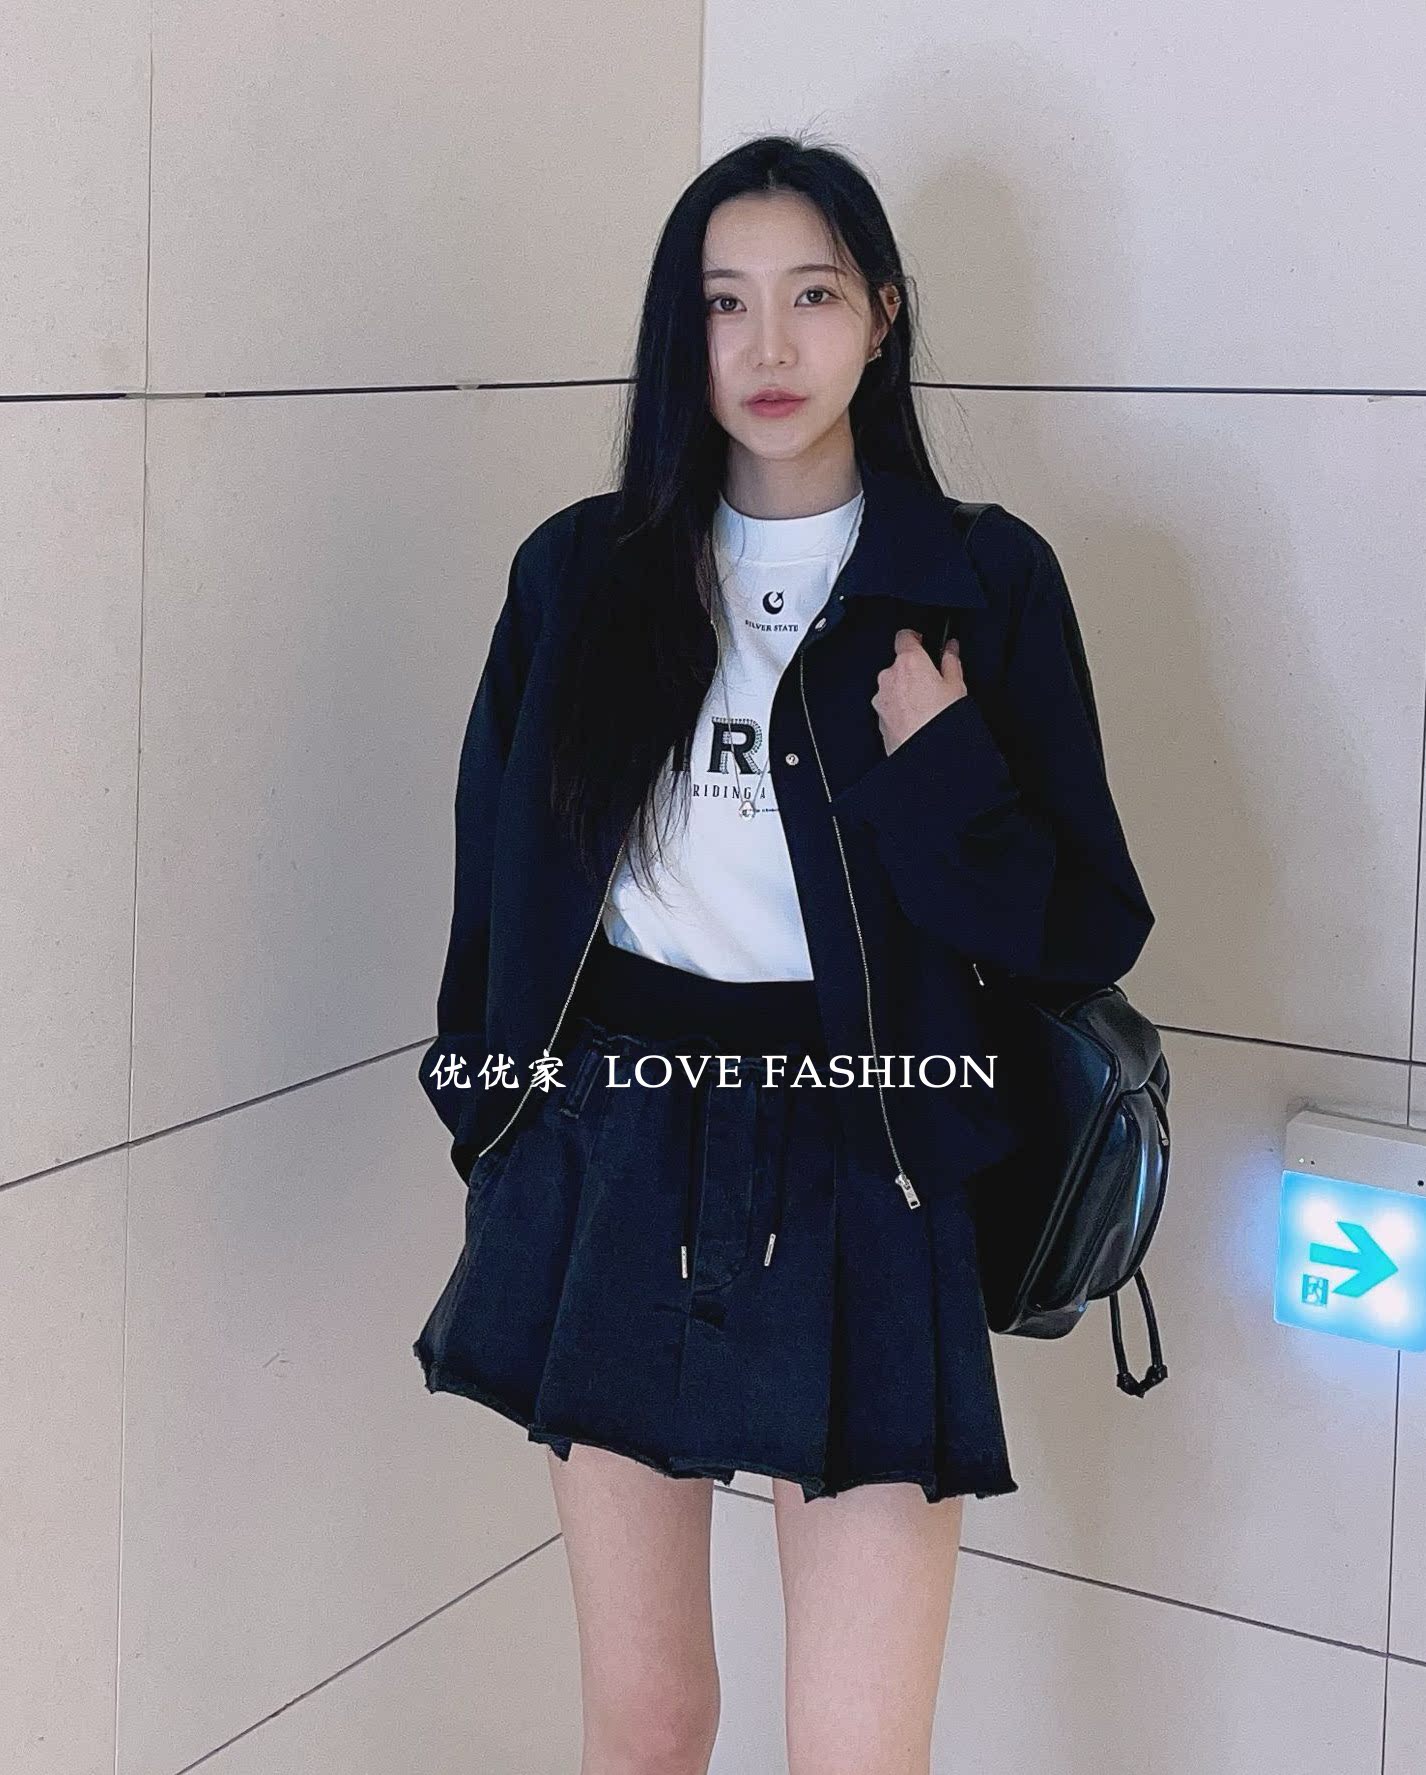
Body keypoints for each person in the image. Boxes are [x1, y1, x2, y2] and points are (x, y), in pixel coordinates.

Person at [412, 132, 1154, 1775]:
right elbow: (493, 886)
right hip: (615, 1144)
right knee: (646, 1723)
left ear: (881, 316)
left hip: (870, 1151)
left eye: (811, 295)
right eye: (721, 303)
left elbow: (1083, 928)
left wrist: (940, 776)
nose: (766, 345)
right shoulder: (580, 574)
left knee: (857, 1749)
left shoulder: (978, 582)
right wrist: (491, 1116)